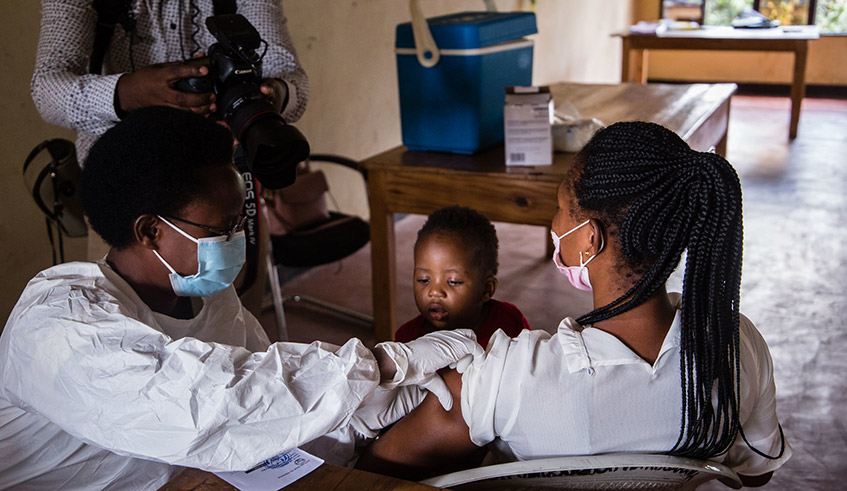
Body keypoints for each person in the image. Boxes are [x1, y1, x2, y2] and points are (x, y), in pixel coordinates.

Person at [0, 106, 483, 489]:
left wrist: (359, 412)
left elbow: (263, 409)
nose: (237, 241)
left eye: (239, 224)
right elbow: (210, 406)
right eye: (222, 229)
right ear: (150, 231)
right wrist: (377, 367)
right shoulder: (58, 322)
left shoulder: (209, 296)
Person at [356, 122, 791, 486]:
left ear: (588, 238)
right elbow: (757, 474)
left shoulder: (508, 378)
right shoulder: (737, 348)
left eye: (561, 206)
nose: (554, 221)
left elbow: (377, 470)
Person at [30, 0, 308, 316]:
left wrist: (266, 95)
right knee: (128, 334)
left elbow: (293, 81)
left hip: (226, 193)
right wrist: (124, 93)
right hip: (127, 201)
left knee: (235, 328)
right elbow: (47, 90)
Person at [394, 206, 530, 348]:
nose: (434, 291)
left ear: (486, 289)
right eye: (424, 280)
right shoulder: (407, 340)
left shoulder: (509, 326)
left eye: (453, 281)